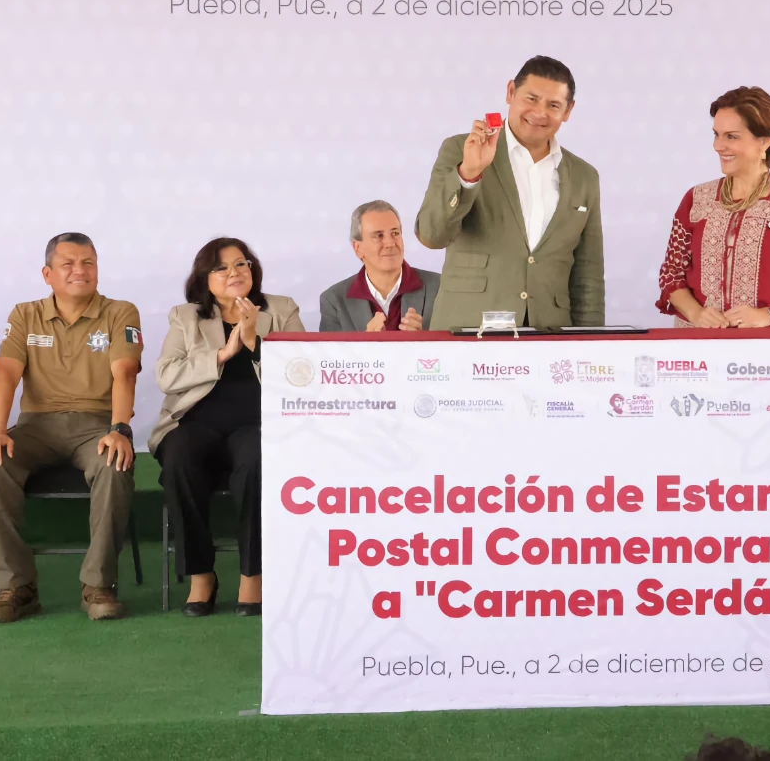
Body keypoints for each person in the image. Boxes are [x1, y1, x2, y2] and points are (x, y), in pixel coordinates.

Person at [0, 232, 143, 623]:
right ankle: (16, 587)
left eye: (88, 263)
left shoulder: (120, 311)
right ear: (47, 274)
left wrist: (120, 429)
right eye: (68, 264)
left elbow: (125, 372)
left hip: (96, 425)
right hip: (37, 426)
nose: (79, 271)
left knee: (114, 462)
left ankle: (98, 585)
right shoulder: (25, 314)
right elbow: (6, 374)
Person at [151, 238, 303, 616]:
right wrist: (222, 354)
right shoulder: (186, 317)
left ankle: (253, 574)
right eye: (221, 268)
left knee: (257, 463)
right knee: (179, 460)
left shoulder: (281, 310)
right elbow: (167, 376)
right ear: (204, 278)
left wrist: (254, 343)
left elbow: (302, 374)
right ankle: (201, 574)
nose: (234, 272)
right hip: (197, 421)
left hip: (258, 423)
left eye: (241, 264)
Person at [415, 56, 604, 330]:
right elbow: (431, 235)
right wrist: (469, 174)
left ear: (568, 110)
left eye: (553, 105)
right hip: (468, 331)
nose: (539, 112)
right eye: (531, 99)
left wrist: (591, 341)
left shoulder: (584, 176)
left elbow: (588, 274)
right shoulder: (460, 150)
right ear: (511, 92)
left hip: (550, 335)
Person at [657, 86, 770, 328]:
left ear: (764, 141)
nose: (718, 146)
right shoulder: (696, 199)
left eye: (731, 136)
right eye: (716, 134)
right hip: (698, 342)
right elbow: (671, 274)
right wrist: (696, 313)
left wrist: (768, 314)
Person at [319, 202, 442, 332]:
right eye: (379, 236)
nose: (390, 243)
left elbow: (454, 342)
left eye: (395, 233)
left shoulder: (440, 288)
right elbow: (332, 346)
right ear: (358, 248)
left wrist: (424, 340)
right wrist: (366, 342)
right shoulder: (334, 301)